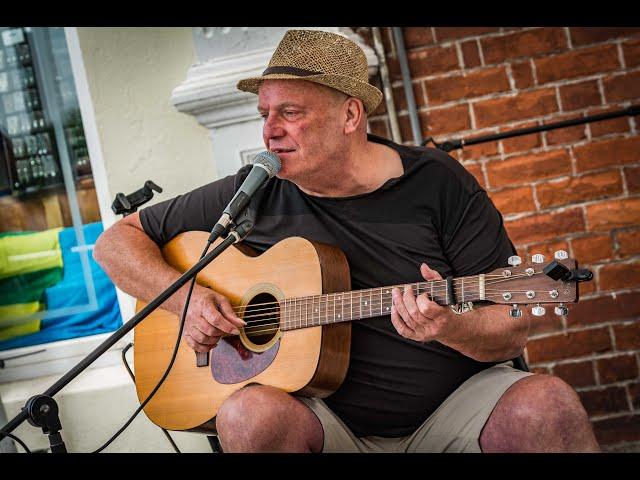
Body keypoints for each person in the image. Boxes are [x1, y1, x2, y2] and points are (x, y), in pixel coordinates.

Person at [93, 29, 600, 453]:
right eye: (264, 114)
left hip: (455, 406)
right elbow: (116, 242)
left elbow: (508, 332)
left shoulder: (438, 184)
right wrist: (188, 300)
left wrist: (449, 327)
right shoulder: (254, 192)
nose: (270, 131)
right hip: (323, 421)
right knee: (248, 415)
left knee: (547, 406)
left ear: (351, 116)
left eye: (289, 112)